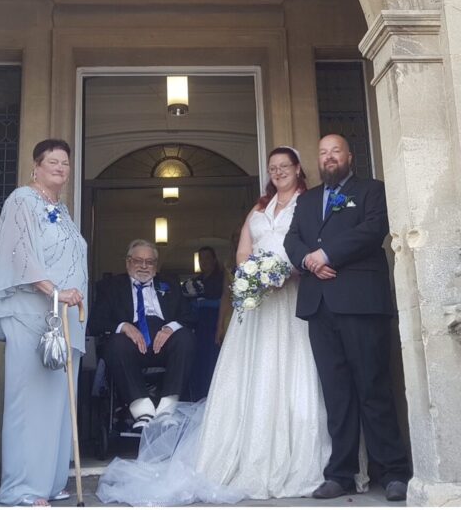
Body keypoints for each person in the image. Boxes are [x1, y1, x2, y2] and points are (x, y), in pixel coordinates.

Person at [95, 146, 331, 505]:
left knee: (290, 369)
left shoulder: (310, 202)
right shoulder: (259, 207)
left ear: (299, 169)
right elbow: (241, 251)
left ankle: (291, 453)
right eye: (273, 167)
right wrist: (251, 274)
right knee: (252, 372)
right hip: (258, 303)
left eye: (285, 166)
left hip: (291, 296)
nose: (278, 171)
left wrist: (286, 271)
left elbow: (313, 244)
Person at [284, 134, 411, 502]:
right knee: (336, 393)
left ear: (349, 156)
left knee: (373, 388)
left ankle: (393, 472)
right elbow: (293, 239)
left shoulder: (372, 190)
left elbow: (372, 230)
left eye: (335, 151)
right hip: (319, 306)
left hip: (361, 303)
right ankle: (340, 473)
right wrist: (308, 259)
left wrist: (326, 255)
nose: (329, 158)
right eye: (322, 153)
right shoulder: (306, 201)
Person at [0, 139, 87, 507]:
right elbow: (21, 255)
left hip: (63, 317)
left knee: (57, 403)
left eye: (65, 162)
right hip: (33, 313)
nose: (60, 167)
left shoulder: (62, 209)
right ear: (36, 167)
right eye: (53, 161)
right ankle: (21, 490)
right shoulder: (21, 201)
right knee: (30, 401)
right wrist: (55, 291)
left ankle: (47, 482)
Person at [89, 239, 196, 429]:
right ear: (128, 262)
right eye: (139, 261)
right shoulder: (110, 286)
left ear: (156, 265)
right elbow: (96, 323)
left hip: (165, 343)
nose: (144, 266)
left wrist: (170, 328)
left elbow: (190, 317)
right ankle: (142, 411)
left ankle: (166, 410)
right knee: (115, 344)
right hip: (129, 346)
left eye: (150, 262)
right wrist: (124, 326)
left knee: (186, 338)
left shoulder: (169, 284)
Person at [186, 246, 225, 401]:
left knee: (213, 360)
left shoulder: (221, 278)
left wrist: (205, 302)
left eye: (207, 258)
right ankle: (199, 396)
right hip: (199, 326)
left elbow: (225, 300)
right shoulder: (196, 281)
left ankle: (213, 397)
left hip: (216, 324)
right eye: (201, 259)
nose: (204, 262)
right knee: (200, 361)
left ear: (214, 260)